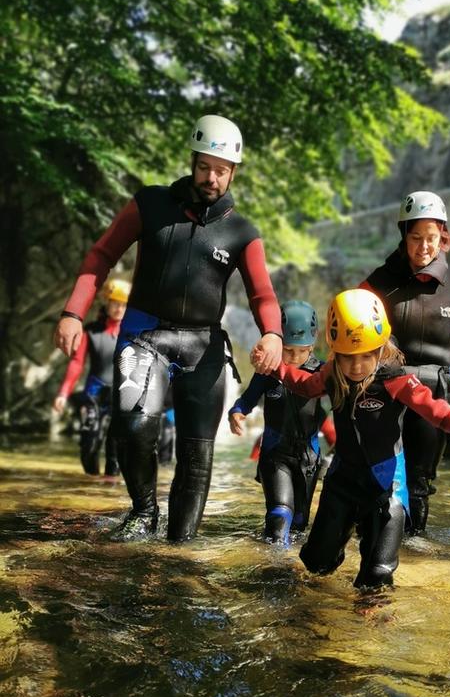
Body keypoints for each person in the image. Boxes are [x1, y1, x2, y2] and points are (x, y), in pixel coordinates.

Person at [54, 113, 283, 542]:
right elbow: (102, 255)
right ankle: (143, 511)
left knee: (196, 457)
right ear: (192, 161)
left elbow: (262, 295)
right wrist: (73, 312)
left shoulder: (242, 231)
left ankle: (179, 546)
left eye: (221, 171)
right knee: (136, 427)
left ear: (233, 173)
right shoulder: (150, 204)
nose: (211, 178)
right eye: (204, 167)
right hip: (145, 334)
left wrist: (272, 332)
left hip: (204, 345)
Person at [251, 289, 450, 589]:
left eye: (367, 355)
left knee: (376, 577)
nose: (357, 366)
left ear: (382, 349)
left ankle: (371, 622)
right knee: (315, 565)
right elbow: (303, 384)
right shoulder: (331, 374)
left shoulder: (396, 380)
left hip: (385, 486)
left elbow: (443, 415)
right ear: (335, 352)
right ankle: (338, 548)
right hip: (343, 482)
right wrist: (274, 366)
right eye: (349, 357)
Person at [360, 190, 450, 536]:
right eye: (416, 237)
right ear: (403, 235)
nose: (424, 246)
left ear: (443, 238)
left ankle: (415, 545)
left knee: (420, 481)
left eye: (432, 238)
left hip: (435, 393)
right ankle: (375, 540)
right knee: (380, 470)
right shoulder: (378, 282)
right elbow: (354, 329)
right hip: (386, 387)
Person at [228, 300, 336, 547]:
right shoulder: (268, 371)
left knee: (299, 525)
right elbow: (246, 400)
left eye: (303, 350)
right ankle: (272, 565)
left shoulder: (322, 372)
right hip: (275, 454)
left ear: (314, 341)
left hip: (308, 459)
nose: (295, 358)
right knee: (279, 514)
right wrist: (236, 412)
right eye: (288, 350)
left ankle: (289, 571)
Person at [53, 278, 130, 477]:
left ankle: (108, 493)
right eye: (115, 303)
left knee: (116, 449)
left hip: (120, 395)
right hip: (93, 393)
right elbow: (77, 363)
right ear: (107, 302)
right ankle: (90, 483)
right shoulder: (91, 331)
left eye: (123, 304)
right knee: (89, 442)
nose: (119, 308)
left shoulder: (131, 333)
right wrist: (63, 393)